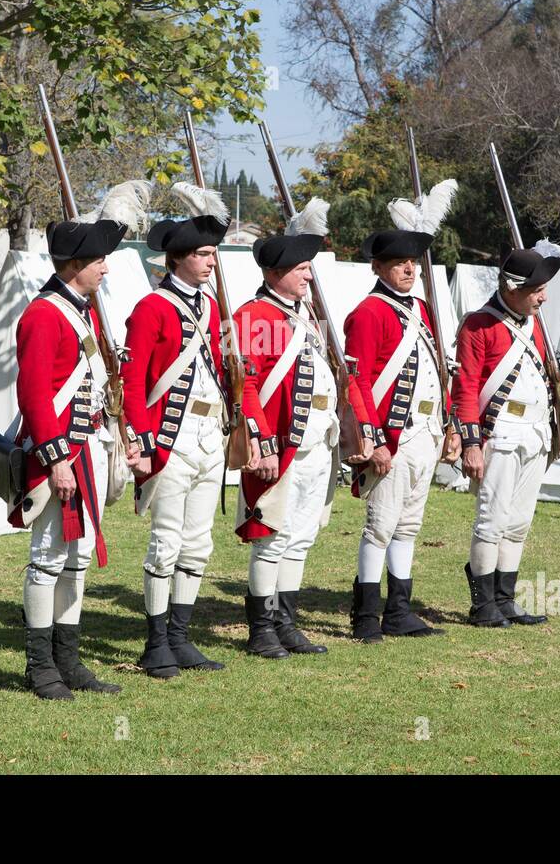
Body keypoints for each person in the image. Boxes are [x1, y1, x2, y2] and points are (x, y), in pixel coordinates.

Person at [11, 216, 141, 700]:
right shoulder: (45, 314)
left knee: (76, 560)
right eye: (99, 259)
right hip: (61, 454)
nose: (106, 268)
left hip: (88, 447)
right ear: (74, 264)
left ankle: (68, 661)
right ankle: (40, 667)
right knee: (47, 560)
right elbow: (34, 394)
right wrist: (56, 459)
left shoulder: (82, 310)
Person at [233, 232, 376, 658]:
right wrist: (260, 442)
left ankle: (286, 623)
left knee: (300, 537)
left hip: (319, 443)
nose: (309, 276)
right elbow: (248, 386)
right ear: (274, 273)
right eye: (301, 269)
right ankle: (261, 630)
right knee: (272, 536)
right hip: (282, 444)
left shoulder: (307, 315)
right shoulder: (257, 317)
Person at [452, 241, 560, 628]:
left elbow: (553, 378)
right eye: (536, 290)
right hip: (501, 434)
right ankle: (482, 604)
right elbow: (465, 388)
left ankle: (505, 599)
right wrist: (472, 445)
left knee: (518, 522)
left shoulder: (534, 325)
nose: (543, 297)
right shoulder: (478, 325)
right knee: (491, 521)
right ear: (513, 289)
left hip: (535, 433)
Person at [121, 212, 231, 679]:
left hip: (211, 438)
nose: (211, 262)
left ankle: (181, 638)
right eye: (204, 254)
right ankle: (156, 642)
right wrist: (142, 441)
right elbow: (133, 380)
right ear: (179, 258)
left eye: (212, 253)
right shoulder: (152, 307)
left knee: (198, 543)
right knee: (165, 543)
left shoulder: (210, 306)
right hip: (171, 438)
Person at [343, 227, 458, 642]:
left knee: (408, 525)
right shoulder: (368, 312)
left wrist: (450, 426)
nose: (409, 269)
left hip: (427, 432)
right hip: (393, 436)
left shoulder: (423, 310)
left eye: (411, 262)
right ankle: (366, 616)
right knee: (380, 527)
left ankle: (399, 610)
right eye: (398, 263)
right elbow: (357, 381)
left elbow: (442, 372)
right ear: (378, 267)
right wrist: (372, 440)